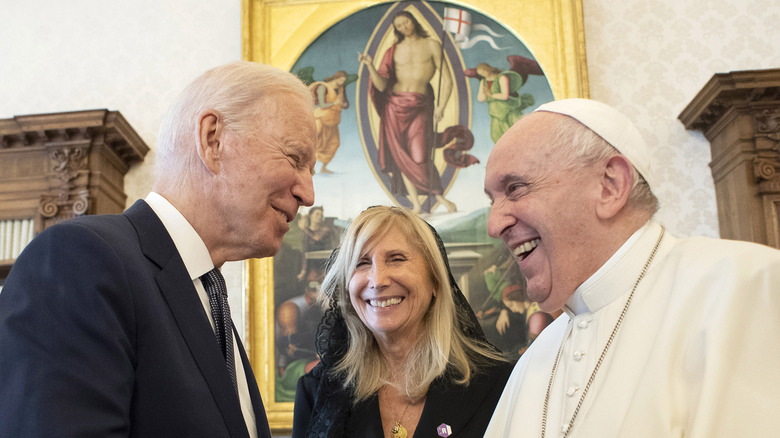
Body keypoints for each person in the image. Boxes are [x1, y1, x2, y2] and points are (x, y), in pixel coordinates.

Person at [0, 61, 317, 438]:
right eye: (295, 158)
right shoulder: (79, 260)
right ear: (213, 139)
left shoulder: (209, 300)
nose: (308, 194)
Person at [482, 98, 780, 437]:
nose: (494, 225)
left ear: (610, 185)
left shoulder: (744, 288)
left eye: (515, 188)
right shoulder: (538, 355)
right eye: (493, 200)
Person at [292, 206, 514, 438]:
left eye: (396, 259)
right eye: (362, 263)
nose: (377, 280)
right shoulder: (316, 391)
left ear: (436, 280)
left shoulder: (499, 385)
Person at [358, 11, 458, 214]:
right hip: (394, 106)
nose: (404, 27)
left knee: (420, 154)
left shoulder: (431, 45)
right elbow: (381, 85)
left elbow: (447, 79)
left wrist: (441, 107)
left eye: (406, 22)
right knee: (400, 156)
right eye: (399, 25)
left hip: (420, 105)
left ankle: (439, 196)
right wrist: (370, 65)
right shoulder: (393, 50)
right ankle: (416, 204)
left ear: (414, 22)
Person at [310, 71, 350, 174]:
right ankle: (308, 167)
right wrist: (335, 103)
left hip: (333, 120)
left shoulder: (341, 89)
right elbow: (322, 105)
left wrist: (343, 102)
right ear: (336, 77)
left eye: (344, 81)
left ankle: (323, 167)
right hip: (321, 118)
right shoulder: (323, 87)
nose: (342, 82)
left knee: (334, 143)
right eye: (341, 80)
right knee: (313, 141)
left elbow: (345, 105)